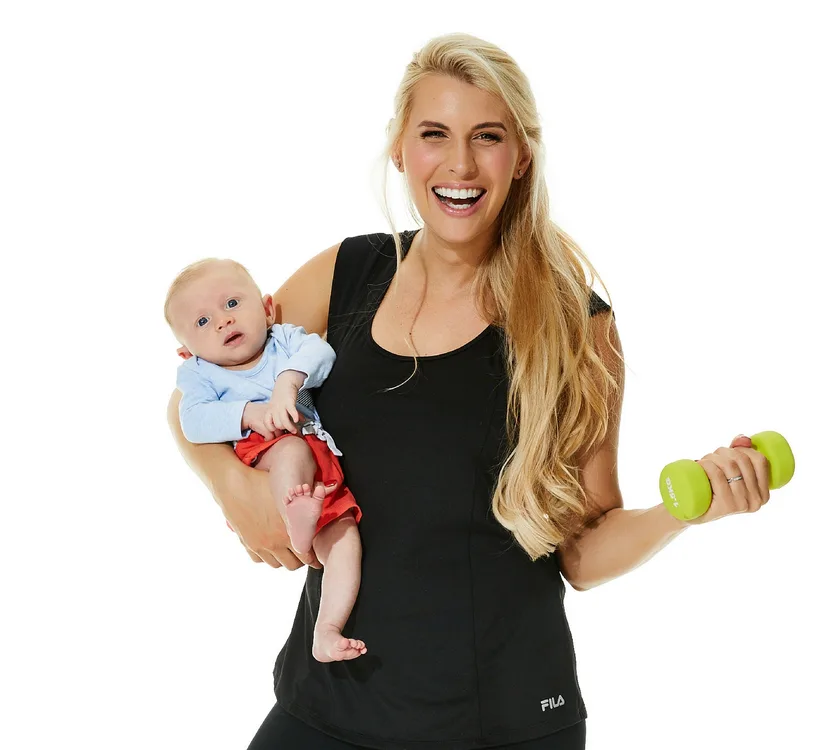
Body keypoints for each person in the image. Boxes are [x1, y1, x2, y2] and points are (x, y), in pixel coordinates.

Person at [166, 33, 771, 750]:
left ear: (522, 157)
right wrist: (230, 489)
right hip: (322, 709)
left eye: (487, 136)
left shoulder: (577, 324)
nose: (459, 164)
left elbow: (582, 550)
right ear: (400, 149)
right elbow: (195, 392)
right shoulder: (345, 276)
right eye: (434, 135)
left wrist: (686, 505)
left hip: (496, 725)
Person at [165, 257, 367, 663]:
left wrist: (287, 382)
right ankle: (296, 524)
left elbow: (319, 353)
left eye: (232, 304)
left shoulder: (285, 340)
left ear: (267, 308)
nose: (222, 321)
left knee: (346, 540)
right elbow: (193, 419)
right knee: (290, 449)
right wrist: (248, 414)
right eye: (203, 322)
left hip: (320, 459)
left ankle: (326, 628)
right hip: (265, 454)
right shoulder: (201, 376)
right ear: (187, 353)